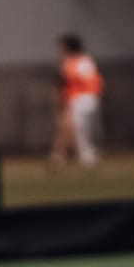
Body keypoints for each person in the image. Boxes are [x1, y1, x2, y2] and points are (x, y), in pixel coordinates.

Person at [49, 33, 103, 169]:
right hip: (89, 99)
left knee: (78, 130)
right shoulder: (86, 60)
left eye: (62, 47)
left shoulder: (72, 63)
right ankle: (81, 156)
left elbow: (64, 83)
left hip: (80, 99)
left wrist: (61, 100)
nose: (60, 50)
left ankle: (79, 157)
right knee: (81, 130)